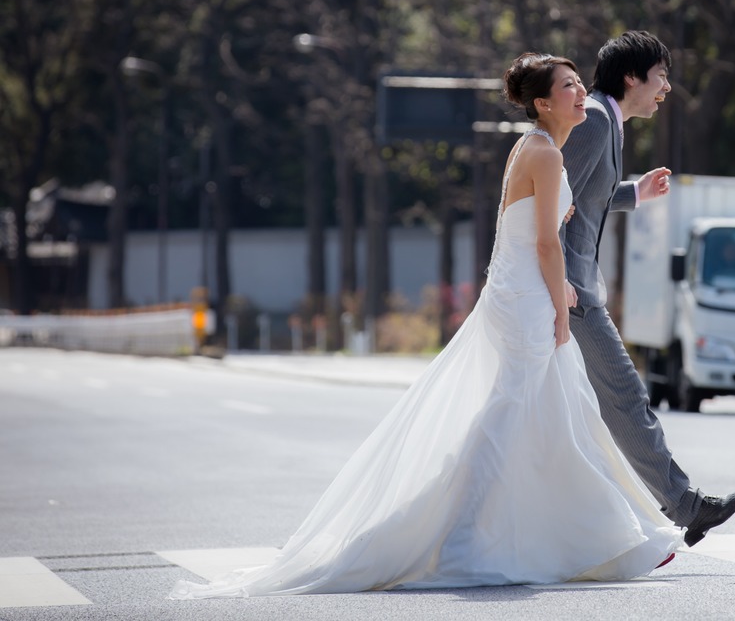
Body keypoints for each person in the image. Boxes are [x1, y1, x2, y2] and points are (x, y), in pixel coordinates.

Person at [168, 53, 682, 600]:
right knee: (516, 420)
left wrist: (561, 287)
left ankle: (602, 536)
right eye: (569, 87)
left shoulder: (534, 150)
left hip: (520, 295)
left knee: (556, 418)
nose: (582, 94)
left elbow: (524, 237)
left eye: (581, 84)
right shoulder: (544, 155)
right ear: (541, 102)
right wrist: (560, 306)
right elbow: (546, 243)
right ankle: (474, 541)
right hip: (530, 303)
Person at [560, 31, 735, 547]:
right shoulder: (597, 120)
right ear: (632, 78)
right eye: (661, 76)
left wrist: (634, 193)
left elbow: (585, 197)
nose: (667, 88)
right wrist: (558, 279)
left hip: (566, 288)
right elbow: (552, 199)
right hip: (569, 293)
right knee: (624, 398)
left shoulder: (607, 120)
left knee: (549, 410)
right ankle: (687, 507)